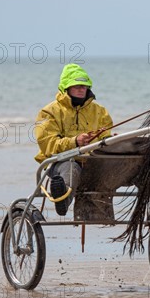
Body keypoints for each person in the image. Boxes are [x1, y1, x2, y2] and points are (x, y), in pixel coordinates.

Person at [34, 64, 113, 216]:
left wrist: (110, 141)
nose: (81, 89)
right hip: (60, 163)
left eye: (84, 86)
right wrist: (75, 141)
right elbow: (48, 145)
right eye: (76, 86)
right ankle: (62, 201)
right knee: (72, 169)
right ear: (66, 88)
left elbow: (105, 138)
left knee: (127, 162)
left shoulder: (100, 111)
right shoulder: (48, 112)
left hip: (93, 163)